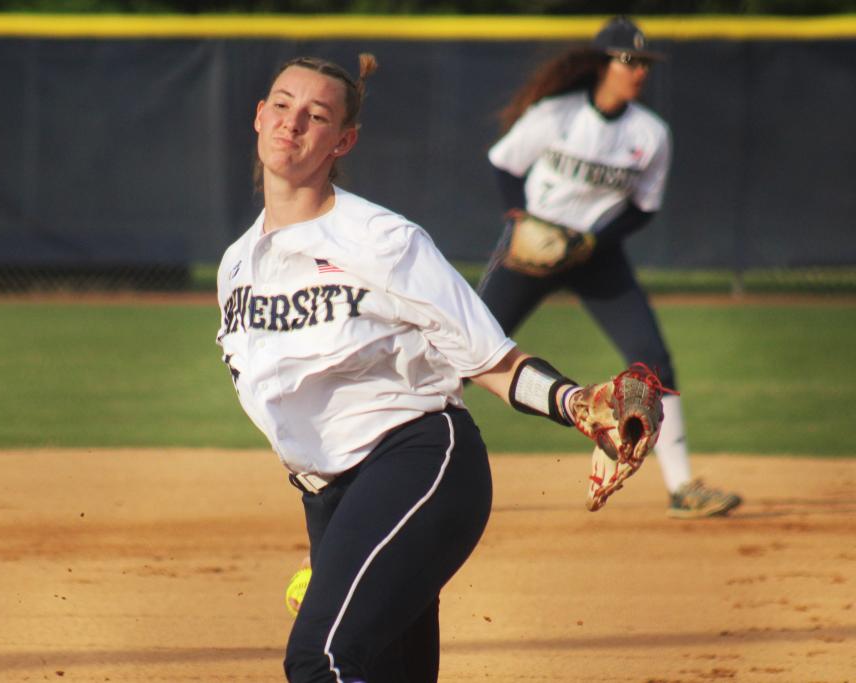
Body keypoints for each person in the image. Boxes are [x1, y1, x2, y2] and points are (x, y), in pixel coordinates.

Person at [216, 53, 655, 683]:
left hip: (418, 464)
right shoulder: (237, 265)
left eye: (316, 116)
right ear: (259, 117)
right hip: (330, 499)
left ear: (344, 140)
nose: (292, 124)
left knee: (319, 661)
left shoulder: (383, 242)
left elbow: (489, 358)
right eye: (281, 106)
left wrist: (576, 404)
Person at [477, 16, 741, 520]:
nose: (638, 70)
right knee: (470, 348)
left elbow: (644, 207)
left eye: (644, 62)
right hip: (534, 247)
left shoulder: (651, 134)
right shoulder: (555, 115)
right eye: (629, 60)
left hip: (596, 254)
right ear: (603, 64)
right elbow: (503, 164)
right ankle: (385, 456)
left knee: (652, 358)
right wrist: (520, 218)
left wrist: (596, 240)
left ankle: (683, 486)